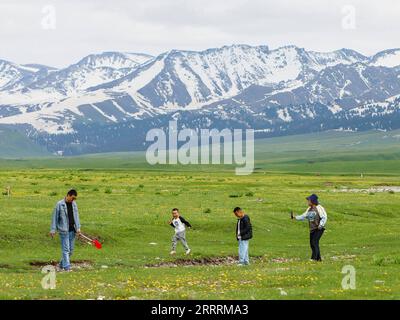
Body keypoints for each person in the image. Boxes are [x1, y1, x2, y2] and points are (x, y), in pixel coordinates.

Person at [50, 189, 81, 271]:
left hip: (73, 230)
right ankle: (67, 267)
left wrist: (78, 228)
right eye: (72, 198)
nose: (73, 200)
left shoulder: (74, 204)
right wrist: (53, 230)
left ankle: (61, 264)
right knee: (66, 250)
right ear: (68, 195)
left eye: (75, 199)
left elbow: (76, 217)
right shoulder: (59, 204)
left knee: (70, 251)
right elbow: (55, 217)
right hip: (64, 231)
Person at [292, 194, 327, 261]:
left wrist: (321, 225)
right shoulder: (309, 209)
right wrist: (295, 217)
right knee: (312, 243)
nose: (307, 202)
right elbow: (303, 216)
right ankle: (318, 259)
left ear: (313, 201)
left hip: (319, 228)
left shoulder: (319, 208)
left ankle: (313, 258)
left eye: (309, 200)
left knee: (314, 242)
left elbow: (324, 217)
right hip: (312, 229)